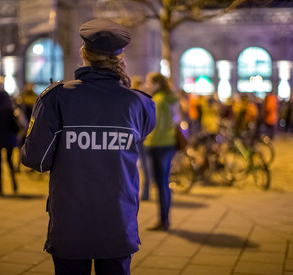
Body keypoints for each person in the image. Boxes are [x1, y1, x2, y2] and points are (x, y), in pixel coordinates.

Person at [21, 19, 155, 275]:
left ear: (84, 54)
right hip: (119, 220)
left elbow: (36, 160)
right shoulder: (140, 103)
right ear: (119, 56)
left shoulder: (57, 97)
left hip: (71, 223)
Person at [144, 72, 178, 231]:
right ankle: (165, 219)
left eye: (149, 82)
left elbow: (156, 126)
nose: (147, 85)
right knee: (164, 182)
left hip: (158, 145)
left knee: (161, 183)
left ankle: (163, 220)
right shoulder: (169, 98)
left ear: (157, 85)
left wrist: (146, 140)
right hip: (169, 143)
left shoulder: (158, 100)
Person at [0, 76, 19, 196]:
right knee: (9, 161)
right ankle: (14, 184)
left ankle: (0, 188)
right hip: (9, 134)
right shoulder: (8, 99)